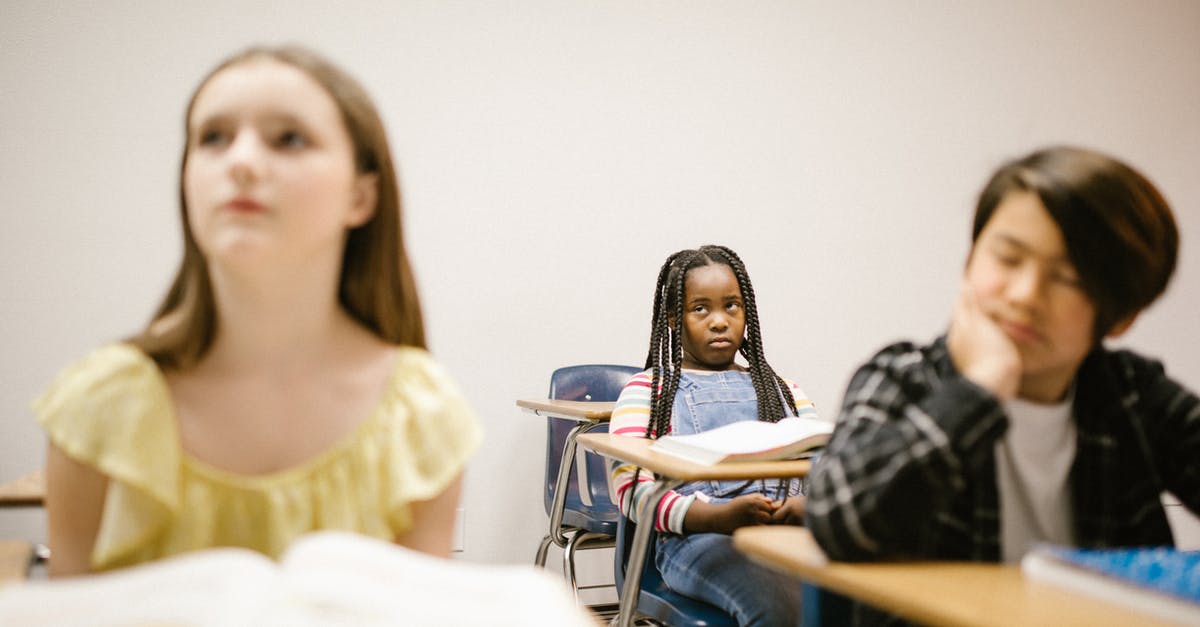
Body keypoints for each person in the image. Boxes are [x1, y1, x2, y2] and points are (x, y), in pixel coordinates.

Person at [34, 45, 482, 577]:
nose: (241, 161)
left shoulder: (421, 421)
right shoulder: (99, 407)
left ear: (360, 197)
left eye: (289, 138)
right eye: (213, 138)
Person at [806, 146, 1200, 621]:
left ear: (1121, 316)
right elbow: (838, 517)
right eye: (1008, 258)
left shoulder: (1132, 395)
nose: (1025, 295)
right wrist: (979, 391)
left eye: (1068, 277)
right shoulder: (904, 377)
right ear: (971, 261)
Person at [608, 244, 819, 626]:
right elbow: (630, 488)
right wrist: (714, 517)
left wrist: (809, 506)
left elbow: (825, 464)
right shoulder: (648, 390)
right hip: (698, 539)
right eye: (700, 308)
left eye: (731, 306)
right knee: (781, 606)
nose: (719, 321)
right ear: (674, 319)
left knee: (870, 594)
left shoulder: (783, 389)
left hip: (788, 531)